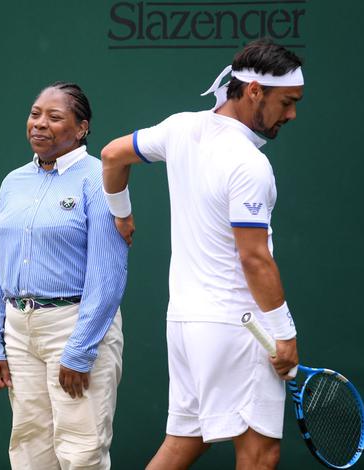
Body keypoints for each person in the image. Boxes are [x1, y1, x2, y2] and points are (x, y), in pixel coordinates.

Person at [101, 38, 303, 469]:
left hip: (186, 326)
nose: (292, 115)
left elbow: (112, 155)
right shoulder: (249, 165)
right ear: (253, 92)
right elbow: (254, 258)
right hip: (239, 329)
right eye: (286, 102)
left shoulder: (180, 128)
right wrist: (284, 333)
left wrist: (122, 214)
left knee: (182, 444)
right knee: (259, 454)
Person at [0, 81, 128, 469]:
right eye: (35, 114)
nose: (39, 124)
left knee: (81, 449)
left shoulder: (99, 178)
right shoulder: (13, 182)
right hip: (19, 328)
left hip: (75, 326)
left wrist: (79, 349)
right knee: (29, 447)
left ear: (81, 128)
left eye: (54, 117)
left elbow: (108, 275)